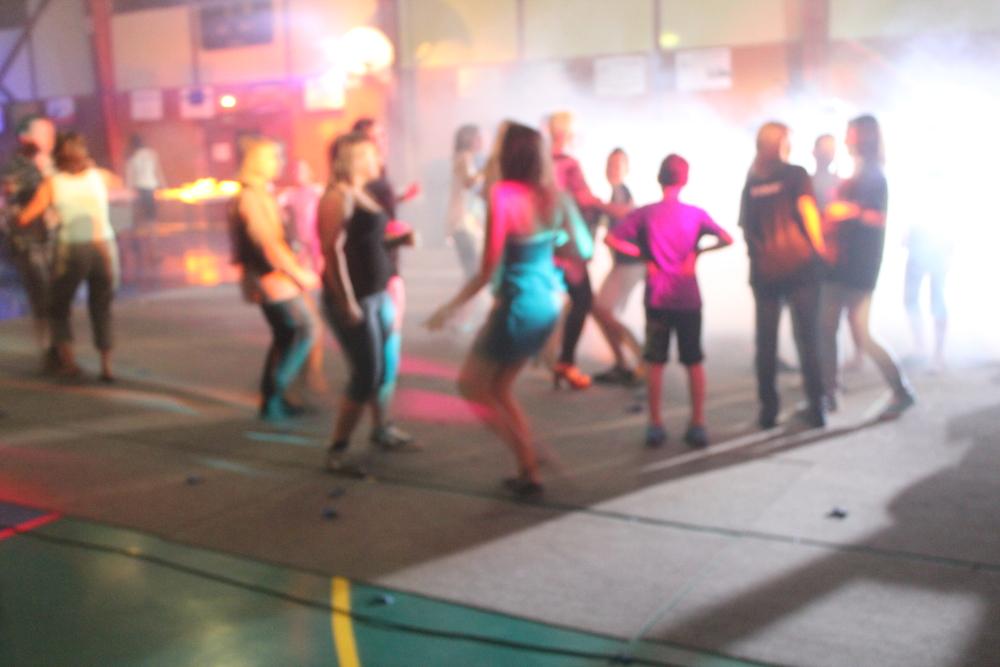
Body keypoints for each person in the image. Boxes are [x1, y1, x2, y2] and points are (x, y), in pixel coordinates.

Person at [426, 121, 587, 496]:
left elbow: (486, 271)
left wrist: (449, 309)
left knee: (471, 386)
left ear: (509, 153)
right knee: (499, 387)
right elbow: (582, 248)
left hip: (519, 305)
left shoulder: (504, 196)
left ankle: (528, 463)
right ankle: (527, 456)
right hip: (547, 302)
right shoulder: (553, 195)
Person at [608, 154, 732, 448]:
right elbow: (727, 238)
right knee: (694, 361)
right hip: (688, 296)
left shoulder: (646, 214)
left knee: (655, 362)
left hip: (658, 296)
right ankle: (697, 422)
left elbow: (612, 238)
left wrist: (643, 256)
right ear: (685, 180)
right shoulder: (695, 214)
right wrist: (698, 253)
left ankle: (655, 424)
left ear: (659, 178)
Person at [321, 132, 416, 475]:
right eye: (374, 154)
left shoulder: (361, 193)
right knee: (366, 374)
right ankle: (337, 451)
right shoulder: (337, 196)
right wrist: (346, 300)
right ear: (359, 159)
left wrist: (397, 240)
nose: (380, 160)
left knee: (381, 369)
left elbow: (365, 241)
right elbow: (332, 251)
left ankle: (381, 429)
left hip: (375, 294)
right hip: (356, 298)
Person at [820, 115, 915, 419]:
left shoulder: (873, 174)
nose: (846, 139)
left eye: (850, 134)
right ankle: (831, 392)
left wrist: (847, 210)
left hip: (855, 266)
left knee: (846, 330)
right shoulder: (863, 171)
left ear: (861, 137)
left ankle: (833, 393)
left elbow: (877, 218)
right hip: (848, 264)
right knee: (839, 329)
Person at [738, 122, 828, 429]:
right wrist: (821, 252)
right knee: (808, 338)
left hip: (765, 273)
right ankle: (817, 407)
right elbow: (808, 213)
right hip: (800, 270)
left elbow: (746, 229)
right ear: (779, 144)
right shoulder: (796, 175)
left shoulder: (752, 183)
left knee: (766, 343)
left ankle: (768, 411)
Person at [228, 137, 319, 421]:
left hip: (272, 278)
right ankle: (274, 396)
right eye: (273, 157)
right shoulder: (251, 198)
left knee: (287, 334)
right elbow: (268, 244)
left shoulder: (258, 194)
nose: (280, 163)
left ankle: (274, 398)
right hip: (271, 279)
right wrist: (298, 273)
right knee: (303, 329)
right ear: (258, 162)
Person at [16, 132, 119, 380]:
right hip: (104, 248)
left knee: (58, 306)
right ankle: (106, 366)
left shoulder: (52, 183)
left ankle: (70, 362)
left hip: (71, 249)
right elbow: (119, 185)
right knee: (101, 306)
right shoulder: (100, 176)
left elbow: (25, 218)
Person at [546, 111, 628, 389]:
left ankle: (558, 359)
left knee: (578, 302)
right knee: (583, 301)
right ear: (565, 134)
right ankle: (565, 362)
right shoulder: (568, 165)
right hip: (569, 248)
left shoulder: (541, 163)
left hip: (547, 242)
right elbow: (584, 200)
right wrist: (613, 209)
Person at [352, 117, 419, 427]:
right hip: (381, 272)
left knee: (382, 347)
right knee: (385, 346)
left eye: (382, 135)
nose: (381, 141)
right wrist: (398, 235)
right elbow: (368, 233)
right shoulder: (367, 183)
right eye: (373, 137)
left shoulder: (373, 180)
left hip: (383, 268)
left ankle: (380, 420)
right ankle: (380, 423)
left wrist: (400, 202)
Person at [1, 115, 56, 368]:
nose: (51, 139)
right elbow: (11, 208)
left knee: (57, 298)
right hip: (30, 242)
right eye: (44, 134)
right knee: (42, 297)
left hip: (55, 239)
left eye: (51, 134)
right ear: (26, 138)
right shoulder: (16, 167)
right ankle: (48, 350)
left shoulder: (53, 163)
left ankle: (59, 348)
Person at [591, 147, 643, 385]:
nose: (611, 170)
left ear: (626, 170)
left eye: (617, 166)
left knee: (602, 310)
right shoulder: (615, 192)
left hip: (630, 264)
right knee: (601, 310)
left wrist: (594, 203)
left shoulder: (622, 193)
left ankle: (642, 356)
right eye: (609, 165)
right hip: (623, 264)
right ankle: (623, 362)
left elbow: (624, 212)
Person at [446, 124, 485, 280]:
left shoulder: (466, 158)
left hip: (467, 217)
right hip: (462, 219)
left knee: (472, 267)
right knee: (472, 267)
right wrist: (488, 171)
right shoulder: (464, 157)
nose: (482, 141)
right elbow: (469, 183)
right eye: (478, 138)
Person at [124, 134, 165, 226]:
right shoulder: (151, 153)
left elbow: (130, 175)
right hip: (151, 185)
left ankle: (147, 231)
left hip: (139, 187)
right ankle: (152, 232)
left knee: (143, 213)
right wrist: (163, 185)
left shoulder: (132, 155)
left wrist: (128, 189)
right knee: (151, 213)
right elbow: (158, 171)